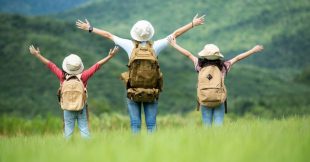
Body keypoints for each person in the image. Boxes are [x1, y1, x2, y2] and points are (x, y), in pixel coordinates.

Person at [76, 14, 205, 133]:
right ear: (150, 34)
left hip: (133, 90)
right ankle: (152, 152)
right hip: (152, 90)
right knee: (151, 125)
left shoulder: (129, 45)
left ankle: (135, 152)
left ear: (135, 34)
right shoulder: (156, 46)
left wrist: (90, 28)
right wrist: (192, 24)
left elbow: (108, 35)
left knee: (135, 124)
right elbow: (175, 34)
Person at [168, 37, 264, 126]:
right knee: (218, 126)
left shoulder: (199, 65)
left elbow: (188, 54)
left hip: (204, 99)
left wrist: (174, 44)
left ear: (204, 55)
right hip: (219, 100)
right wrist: (253, 50)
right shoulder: (224, 66)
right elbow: (238, 58)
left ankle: (208, 144)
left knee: (207, 127)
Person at [29, 45, 119, 138]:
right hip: (81, 107)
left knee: (68, 130)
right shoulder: (84, 76)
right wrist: (110, 56)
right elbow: (97, 66)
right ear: (79, 66)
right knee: (84, 129)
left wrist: (37, 55)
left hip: (67, 107)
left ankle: (67, 150)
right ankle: (89, 149)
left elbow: (51, 65)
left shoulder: (62, 77)